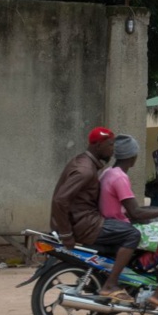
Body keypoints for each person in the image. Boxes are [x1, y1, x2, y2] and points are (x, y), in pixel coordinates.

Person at [51, 126, 147, 300]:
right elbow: (60, 200)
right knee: (133, 234)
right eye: (110, 146)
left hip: (85, 221)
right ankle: (110, 285)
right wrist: (66, 234)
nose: (113, 150)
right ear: (97, 146)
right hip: (87, 224)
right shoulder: (85, 170)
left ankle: (105, 278)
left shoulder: (85, 163)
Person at [99, 134, 158, 315]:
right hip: (122, 228)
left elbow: (130, 208)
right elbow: (136, 212)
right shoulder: (120, 178)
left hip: (114, 223)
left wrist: (156, 212)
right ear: (133, 156)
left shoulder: (108, 172)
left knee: (157, 226)